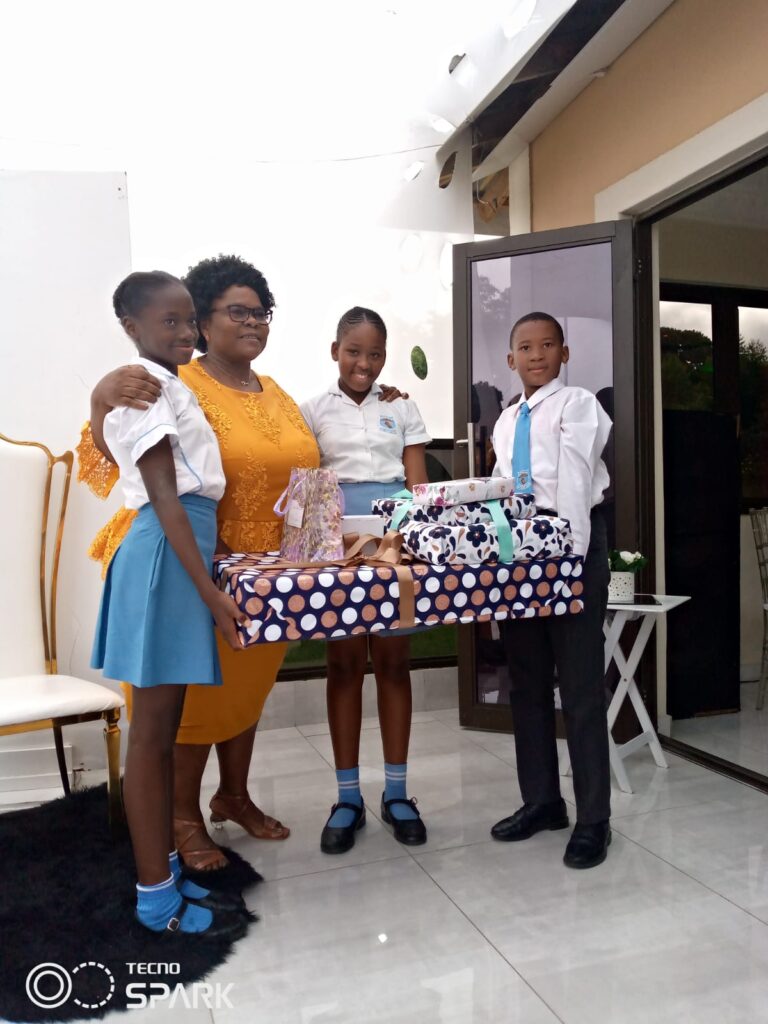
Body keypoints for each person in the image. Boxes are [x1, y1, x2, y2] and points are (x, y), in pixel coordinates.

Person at [80, 256, 408, 871]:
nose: (254, 322)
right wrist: (100, 396)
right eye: (238, 311)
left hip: (271, 573)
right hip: (197, 563)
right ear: (202, 322)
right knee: (195, 704)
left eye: (261, 312)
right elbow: (110, 452)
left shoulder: (276, 391)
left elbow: (323, 455)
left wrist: (379, 403)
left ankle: (234, 795)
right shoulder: (172, 380)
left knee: (246, 692)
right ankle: (182, 816)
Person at [92, 270, 247, 936]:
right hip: (166, 555)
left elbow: (123, 458)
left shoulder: (167, 385)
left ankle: (166, 875)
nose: (185, 332)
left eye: (189, 320)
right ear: (132, 327)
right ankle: (156, 899)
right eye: (169, 322)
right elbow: (161, 494)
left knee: (164, 733)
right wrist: (210, 592)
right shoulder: (146, 385)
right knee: (152, 740)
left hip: (176, 552)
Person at [300, 307, 431, 854]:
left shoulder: (401, 406)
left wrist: (413, 543)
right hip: (337, 546)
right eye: (354, 351)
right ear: (336, 351)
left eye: (375, 354)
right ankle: (347, 797)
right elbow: (308, 485)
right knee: (344, 664)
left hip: (394, 543)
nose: (364, 363)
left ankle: (397, 793)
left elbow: (418, 487)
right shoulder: (311, 411)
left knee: (395, 663)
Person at [489, 311, 613, 869]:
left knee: (581, 687)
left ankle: (594, 820)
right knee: (528, 681)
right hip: (522, 549)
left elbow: (577, 481)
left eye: (547, 345)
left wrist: (571, 559)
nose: (536, 355)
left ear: (564, 353)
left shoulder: (577, 404)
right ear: (511, 358)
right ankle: (542, 801)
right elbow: (504, 487)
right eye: (525, 347)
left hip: (571, 542)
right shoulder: (505, 419)